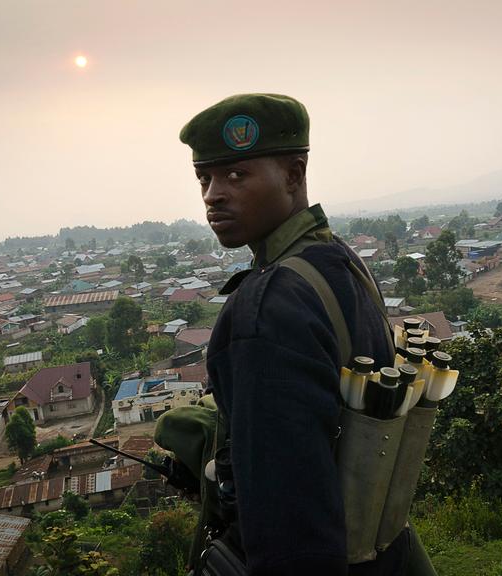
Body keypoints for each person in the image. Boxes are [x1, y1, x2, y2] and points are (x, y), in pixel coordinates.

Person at [179, 94, 436, 575]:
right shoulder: (337, 260)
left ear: (294, 176)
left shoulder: (266, 307)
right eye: (205, 178)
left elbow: (288, 522)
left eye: (237, 175)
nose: (213, 194)